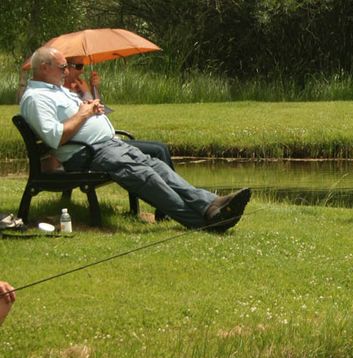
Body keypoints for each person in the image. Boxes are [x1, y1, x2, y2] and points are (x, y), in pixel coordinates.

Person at [20, 47, 250, 231]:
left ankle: (210, 204)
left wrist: (89, 105)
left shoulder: (56, 90)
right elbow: (54, 138)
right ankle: (201, 221)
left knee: (155, 164)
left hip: (105, 146)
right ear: (43, 67)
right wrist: (83, 113)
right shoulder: (36, 98)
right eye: (62, 67)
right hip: (85, 153)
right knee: (143, 175)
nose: (66, 71)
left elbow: (75, 117)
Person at [64, 58, 175, 171]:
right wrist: (85, 94)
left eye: (83, 66)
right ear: (66, 67)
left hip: (108, 141)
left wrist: (94, 88)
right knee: (158, 151)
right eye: (79, 66)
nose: (82, 71)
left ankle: (175, 187)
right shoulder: (62, 94)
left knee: (161, 147)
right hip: (95, 146)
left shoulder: (80, 86)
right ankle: (171, 187)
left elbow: (101, 112)